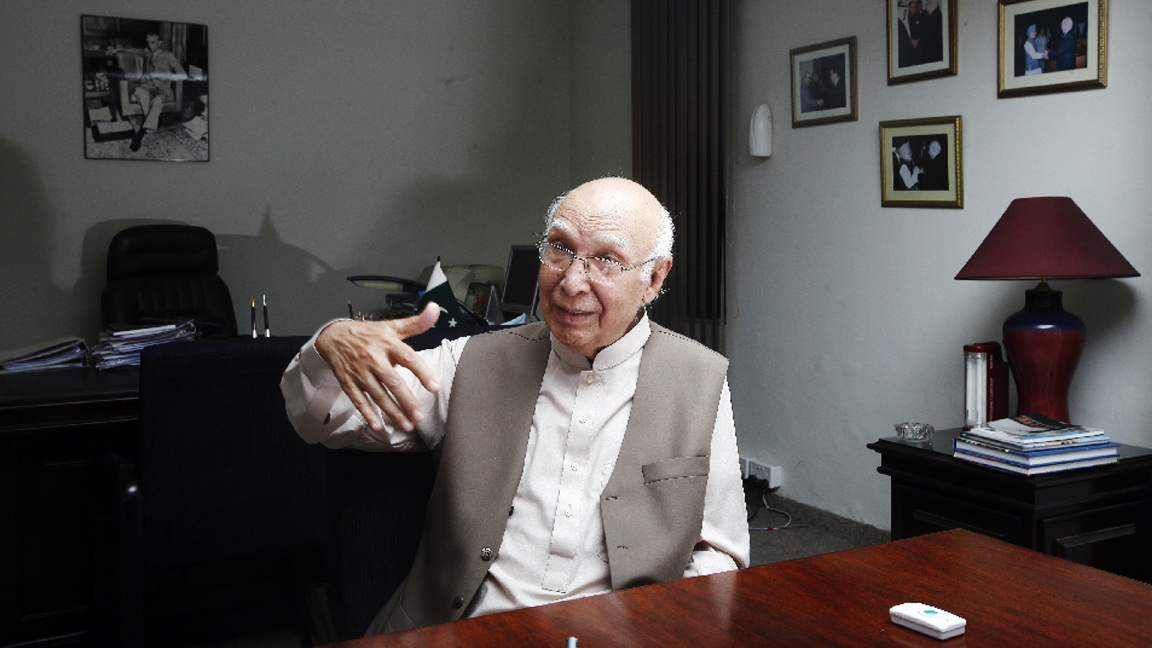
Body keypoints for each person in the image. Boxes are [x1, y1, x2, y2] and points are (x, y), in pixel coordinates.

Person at [281, 177, 749, 634]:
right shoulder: (470, 360)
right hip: (461, 631)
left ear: (654, 278)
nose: (571, 281)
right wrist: (328, 345)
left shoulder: (699, 379)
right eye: (560, 248)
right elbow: (324, 419)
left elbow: (719, 553)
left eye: (606, 259)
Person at [126, 32, 187, 152]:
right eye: (148, 43)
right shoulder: (148, 54)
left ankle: (142, 131)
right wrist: (117, 50)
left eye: (153, 42)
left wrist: (164, 76)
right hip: (149, 86)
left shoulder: (168, 56)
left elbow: (183, 75)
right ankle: (152, 121)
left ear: (160, 43)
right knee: (138, 90)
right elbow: (135, 51)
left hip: (163, 89)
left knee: (157, 101)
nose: (150, 45)